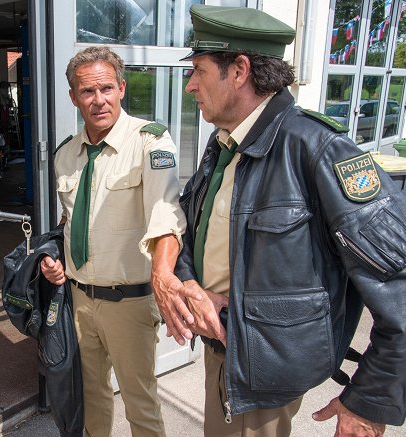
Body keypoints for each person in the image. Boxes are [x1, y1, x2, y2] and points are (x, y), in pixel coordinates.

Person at [152, 4, 406, 437]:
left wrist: (369, 400)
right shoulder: (225, 144)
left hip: (264, 375)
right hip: (229, 353)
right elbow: (199, 231)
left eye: (198, 70)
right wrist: (193, 287)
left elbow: (399, 288)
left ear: (240, 71)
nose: (191, 85)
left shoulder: (319, 150)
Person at [39, 46, 188, 436]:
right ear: (74, 97)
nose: (98, 100)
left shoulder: (151, 143)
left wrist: (165, 280)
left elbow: (166, 213)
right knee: (91, 396)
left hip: (130, 303)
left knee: (140, 401)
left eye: (106, 88)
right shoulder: (66, 155)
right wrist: (57, 258)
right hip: (79, 300)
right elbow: (71, 221)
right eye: (87, 92)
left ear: (122, 88)